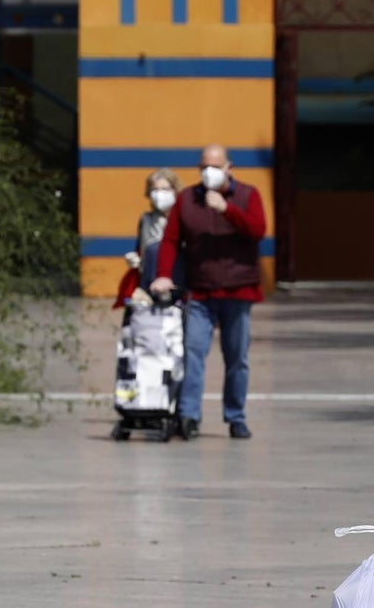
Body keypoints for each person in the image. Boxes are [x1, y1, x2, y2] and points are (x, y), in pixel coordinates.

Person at [149, 144, 266, 440]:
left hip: (237, 291)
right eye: (203, 167)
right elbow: (171, 241)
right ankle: (189, 416)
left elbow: (257, 230)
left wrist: (228, 210)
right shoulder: (187, 199)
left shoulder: (248, 195)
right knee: (193, 352)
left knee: (237, 357)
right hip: (200, 293)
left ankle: (235, 417)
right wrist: (163, 275)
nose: (208, 172)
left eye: (214, 166)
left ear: (229, 168)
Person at [114, 168, 180, 308]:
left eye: (165, 189)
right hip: (148, 285)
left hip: (176, 284)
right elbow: (141, 249)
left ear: (175, 190)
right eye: (155, 189)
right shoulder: (146, 219)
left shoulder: (183, 219)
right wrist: (135, 260)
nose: (159, 194)